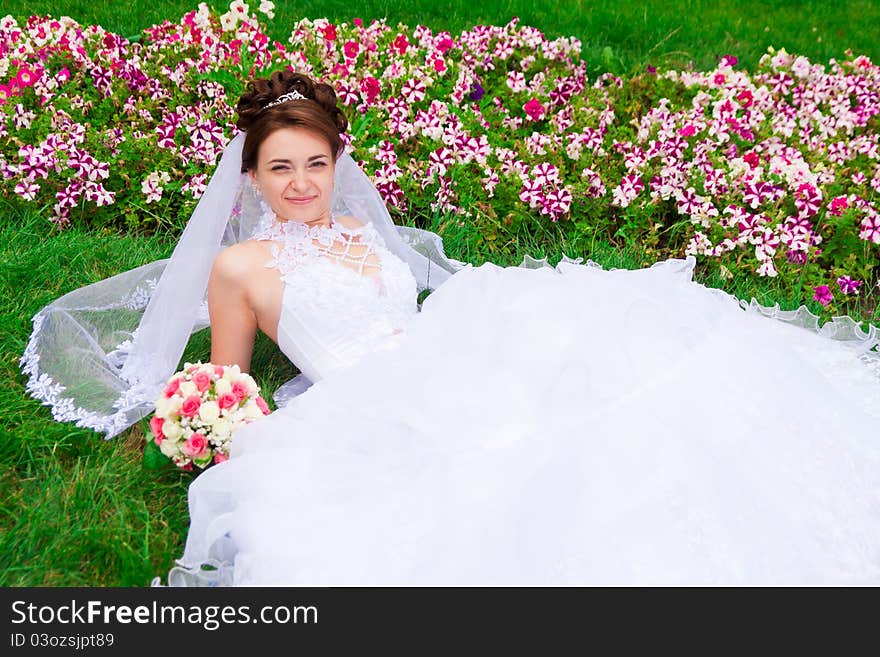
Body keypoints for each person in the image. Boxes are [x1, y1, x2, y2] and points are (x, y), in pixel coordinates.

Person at [23, 71, 880, 586]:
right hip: (377, 399)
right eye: (280, 167)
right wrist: (209, 414)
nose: (301, 183)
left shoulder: (365, 230)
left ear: (338, 164)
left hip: (451, 345)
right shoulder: (238, 268)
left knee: (626, 357)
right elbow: (234, 382)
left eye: (317, 164)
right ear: (249, 175)